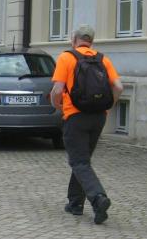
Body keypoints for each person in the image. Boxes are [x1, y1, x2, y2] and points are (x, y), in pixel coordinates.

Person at [50, 24, 124, 224]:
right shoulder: (103, 59)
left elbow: (58, 89)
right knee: (83, 160)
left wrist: (57, 105)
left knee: (79, 162)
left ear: (74, 40)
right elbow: (118, 87)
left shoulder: (66, 57)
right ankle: (75, 203)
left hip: (75, 116)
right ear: (91, 41)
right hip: (98, 117)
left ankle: (98, 198)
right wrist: (108, 106)